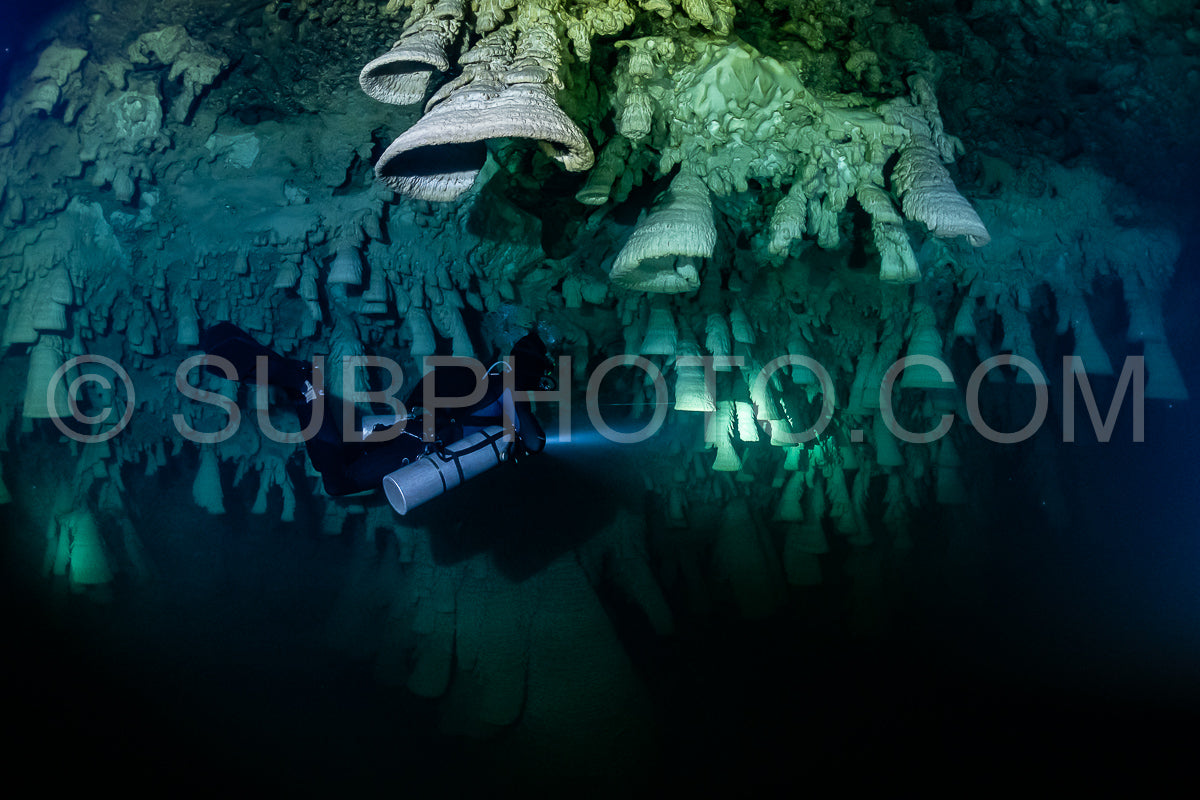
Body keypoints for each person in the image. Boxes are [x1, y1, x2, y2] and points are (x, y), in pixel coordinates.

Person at [199, 322, 551, 498]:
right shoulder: (509, 383)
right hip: (424, 440)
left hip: (412, 425)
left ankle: (296, 382)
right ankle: (299, 381)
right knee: (339, 482)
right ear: (528, 367)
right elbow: (535, 442)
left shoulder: (486, 372)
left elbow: (439, 387)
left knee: (328, 461)